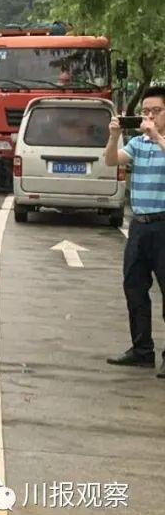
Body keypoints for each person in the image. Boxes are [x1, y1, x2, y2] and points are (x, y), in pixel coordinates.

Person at [105, 86, 165, 373]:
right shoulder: (138, 143)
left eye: (157, 111)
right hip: (139, 226)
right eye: (146, 111)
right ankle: (142, 350)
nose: (150, 116)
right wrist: (114, 136)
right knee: (134, 288)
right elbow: (110, 160)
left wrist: (158, 138)